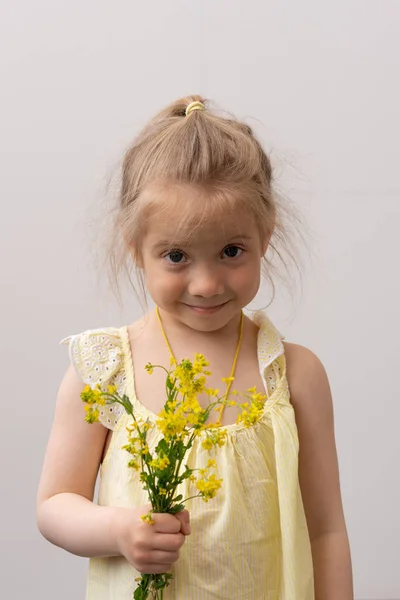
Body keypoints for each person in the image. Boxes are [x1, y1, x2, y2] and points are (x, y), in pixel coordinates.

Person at [36, 95, 353, 599]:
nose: (206, 284)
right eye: (177, 255)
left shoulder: (294, 374)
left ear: (264, 237)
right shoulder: (104, 371)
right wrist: (118, 530)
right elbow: (55, 503)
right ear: (134, 246)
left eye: (232, 251)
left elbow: (326, 531)